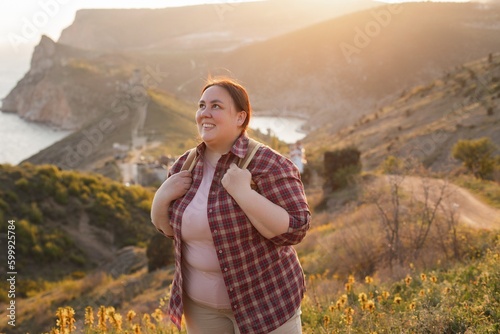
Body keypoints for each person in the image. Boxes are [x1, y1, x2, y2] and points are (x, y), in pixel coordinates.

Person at [151, 77, 311, 334]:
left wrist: (244, 194)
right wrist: (160, 197)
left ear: (240, 118)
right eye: (202, 105)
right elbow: (168, 229)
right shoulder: (185, 165)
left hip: (265, 307)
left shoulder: (269, 165)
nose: (205, 113)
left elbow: (295, 230)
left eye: (216, 106)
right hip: (201, 310)